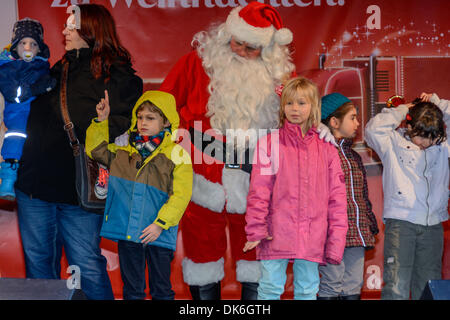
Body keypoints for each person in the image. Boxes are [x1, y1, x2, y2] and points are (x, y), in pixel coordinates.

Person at [159, 2, 297, 300]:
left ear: (269, 49)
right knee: (201, 251)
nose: (242, 52)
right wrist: (174, 152)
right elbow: (163, 106)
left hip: (256, 177)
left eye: (252, 48)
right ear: (226, 35)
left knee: (256, 249)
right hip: (202, 172)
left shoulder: (281, 76)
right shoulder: (196, 63)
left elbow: (295, 123)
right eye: (238, 42)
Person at [15, 4, 143, 300]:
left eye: (71, 27)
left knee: (87, 265)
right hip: (33, 186)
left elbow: (127, 127)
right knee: (38, 268)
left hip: (79, 193)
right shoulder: (59, 67)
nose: (64, 32)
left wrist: (104, 122)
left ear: (92, 30)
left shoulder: (119, 77)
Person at [243, 77, 348, 300]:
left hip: (312, 236)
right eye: (289, 103)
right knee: (270, 289)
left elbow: (337, 201)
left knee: (308, 290)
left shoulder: (327, 150)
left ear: (313, 107)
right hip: (275, 233)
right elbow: (259, 192)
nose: (295, 109)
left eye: (302, 103)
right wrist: (256, 229)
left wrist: (336, 241)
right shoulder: (269, 143)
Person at [86, 90, 193, 300]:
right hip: (129, 232)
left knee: (161, 290)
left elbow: (181, 195)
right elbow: (95, 150)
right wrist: (101, 121)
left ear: (166, 122)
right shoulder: (124, 151)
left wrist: (161, 223)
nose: (143, 122)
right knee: (132, 291)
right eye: (140, 117)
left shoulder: (177, 154)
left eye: (150, 118)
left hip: (158, 233)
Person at [365, 92, 449, 300]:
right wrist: (405, 109)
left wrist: (437, 103)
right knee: (396, 286)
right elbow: (372, 129)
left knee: (429, 286)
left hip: (434, 225)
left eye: (431, 138)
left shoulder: (443, 144)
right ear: (409, 128)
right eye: (420, 136)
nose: (425, 143)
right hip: (402, 223)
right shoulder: (392, 143)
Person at [317, 93, 379, 300]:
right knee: (331, 284)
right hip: (331, 233)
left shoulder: (352, 155)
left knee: (353, 285)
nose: (357, 123)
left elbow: (362, 194)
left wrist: (369, 221)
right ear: (334, 121)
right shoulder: (320, 153)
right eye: (352, 117)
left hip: (357, 232)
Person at [0, 18, 56, 200]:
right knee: (15, 141)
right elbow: (13, 94)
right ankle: (7, 179)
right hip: (17, 115)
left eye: (33, 44)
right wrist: (35, 88)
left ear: (39, 48)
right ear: (15, 46)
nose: (28, 48)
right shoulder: (7, 68)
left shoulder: (43, 67)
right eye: (23, 43)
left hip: (37, 119)